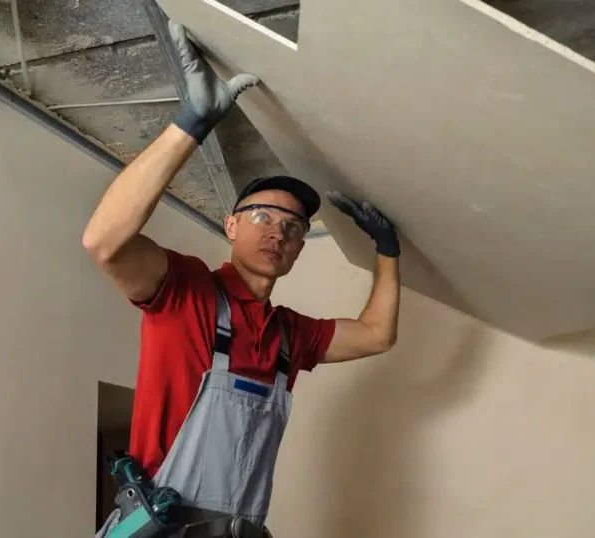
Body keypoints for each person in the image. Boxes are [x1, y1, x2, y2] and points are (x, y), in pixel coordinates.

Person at [84, 22, 401, 538]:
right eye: (262, 216)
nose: (279, 231)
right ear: (230, 224)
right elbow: (104, 242)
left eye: (294, 228)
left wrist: (387, 250)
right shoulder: (185, 290)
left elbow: (377, 333)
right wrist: (192, 122)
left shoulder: (290, 336)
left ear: (299, 248)